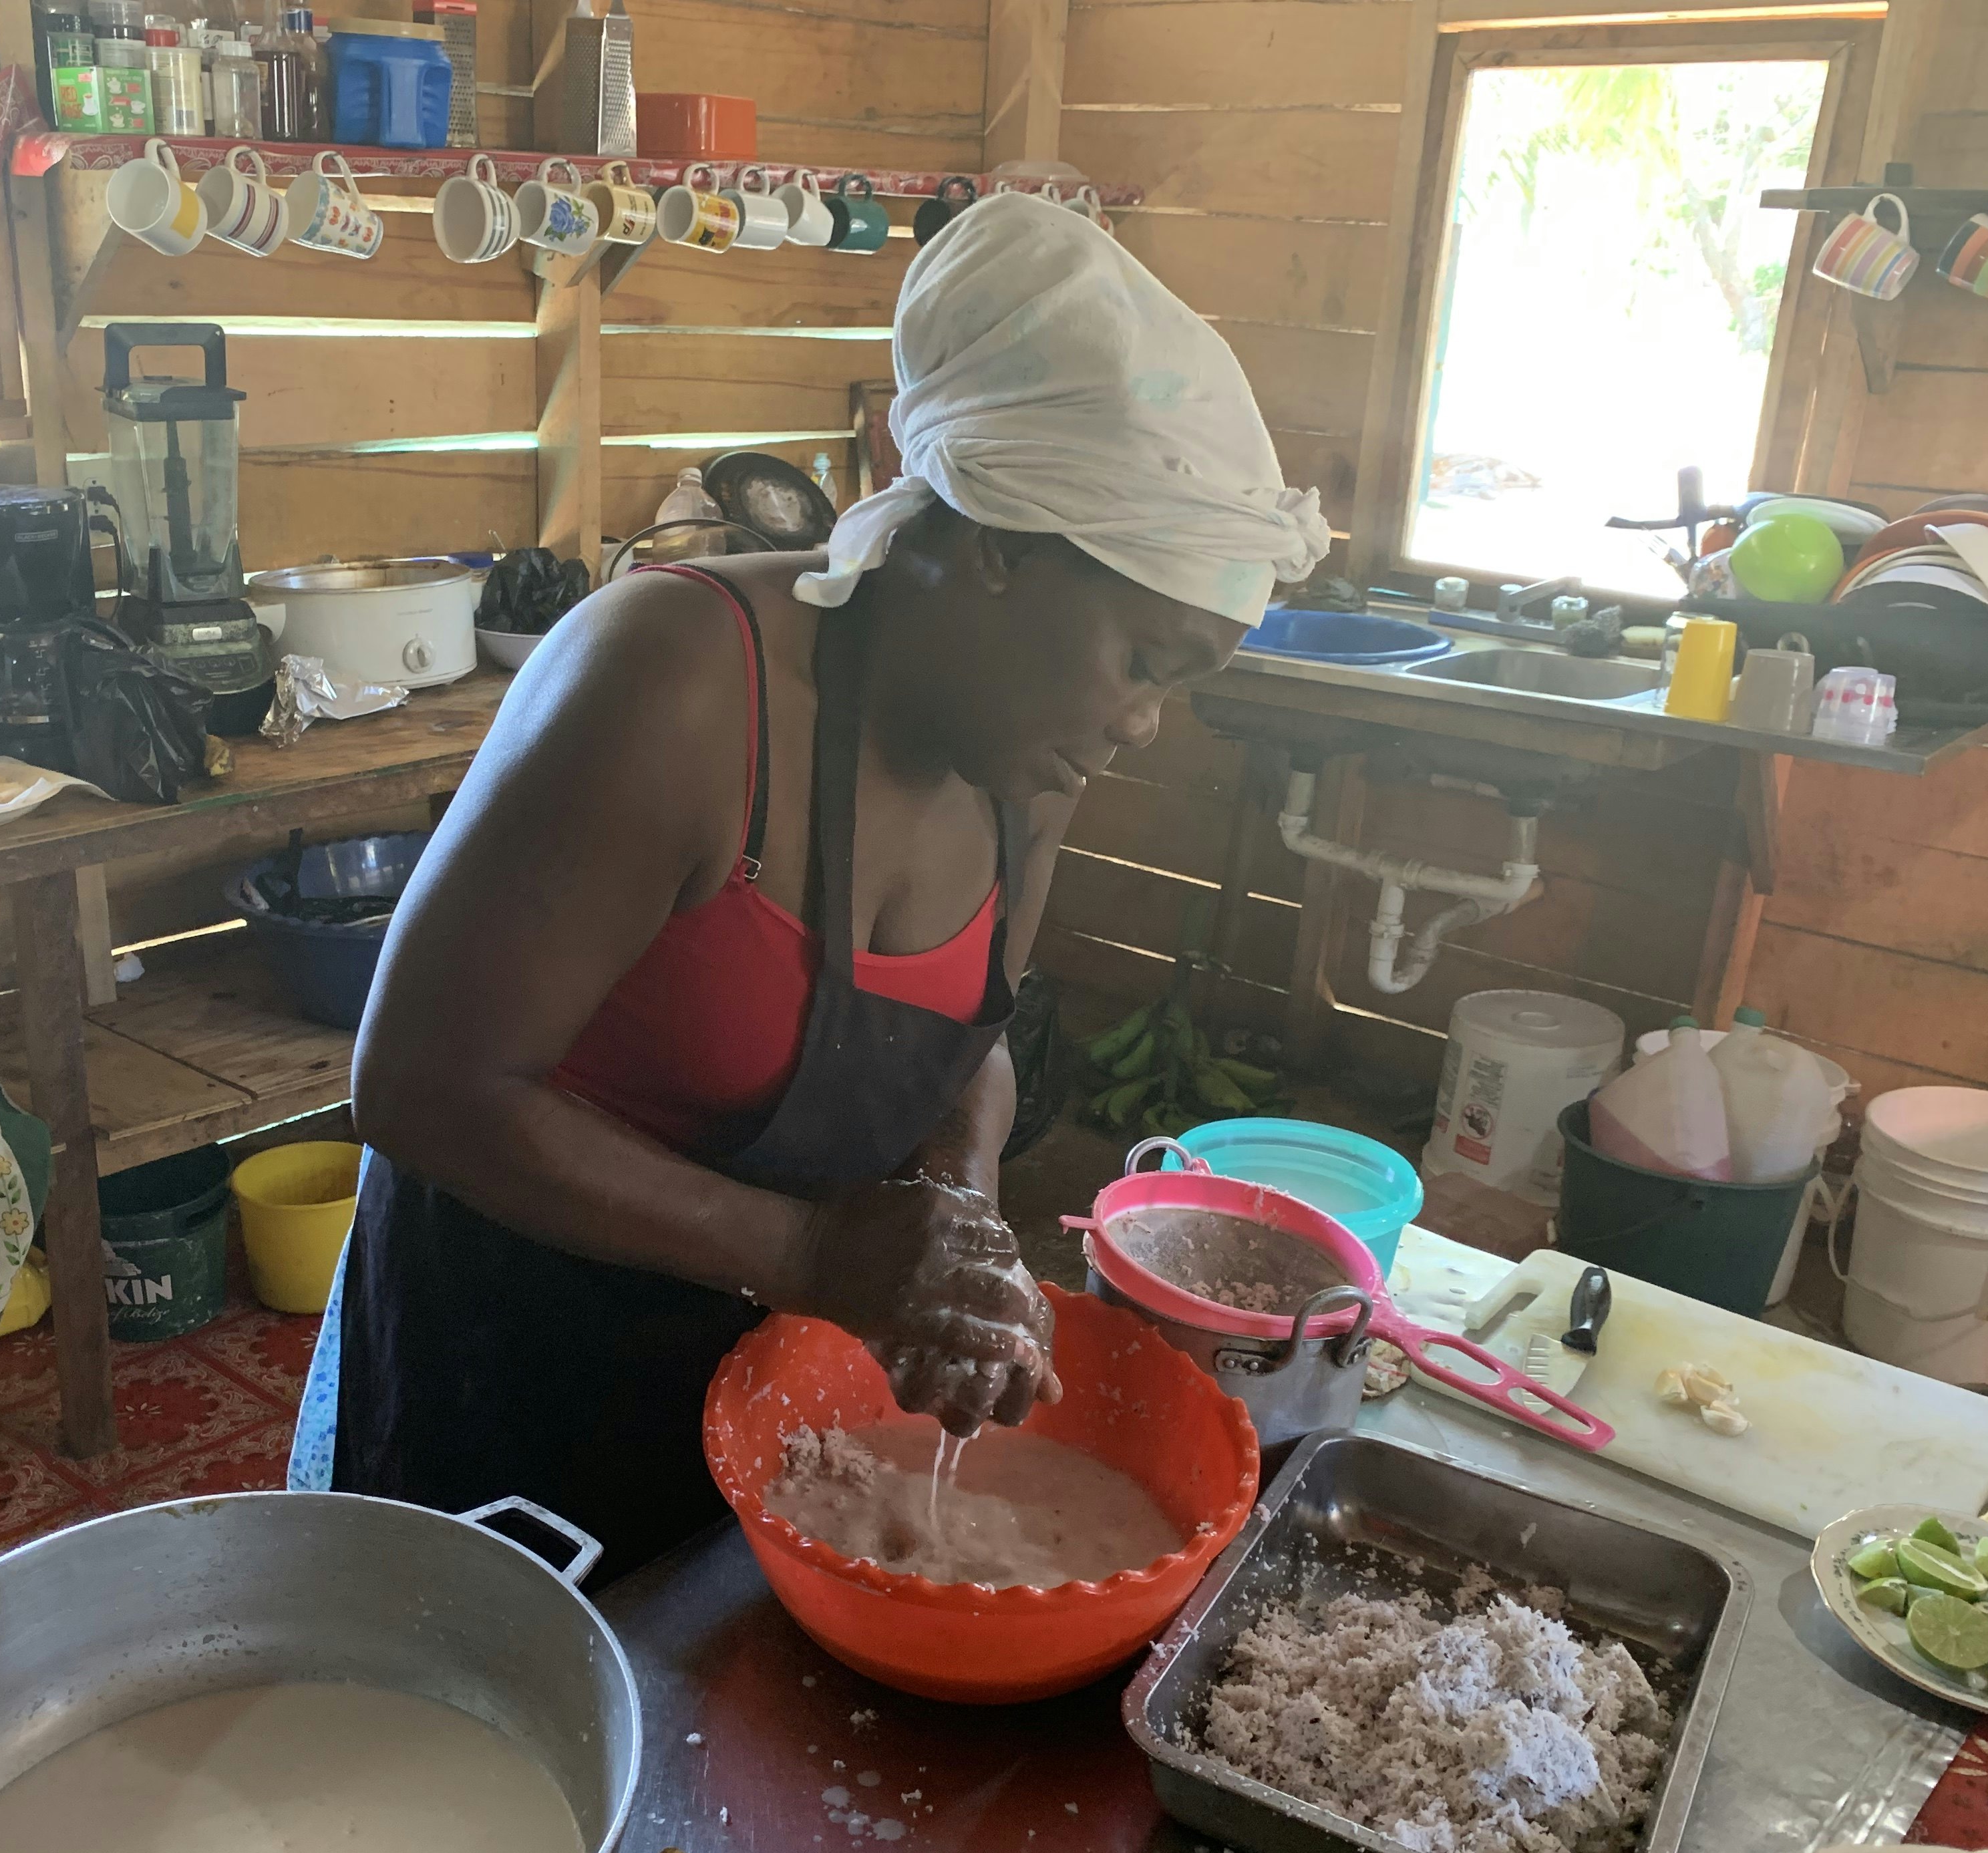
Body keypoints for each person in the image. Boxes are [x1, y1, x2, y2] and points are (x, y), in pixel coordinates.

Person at [288, 192, 1333, 1576]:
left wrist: (954, 1211)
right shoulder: (675, 684)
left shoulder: (1033, 768)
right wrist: (815, 1258)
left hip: (761, 1371)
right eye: (1145, 662)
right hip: (513, 1361)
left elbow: (969, 1038)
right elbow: (420, 1087)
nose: (1144, 725)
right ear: (1006, 552)